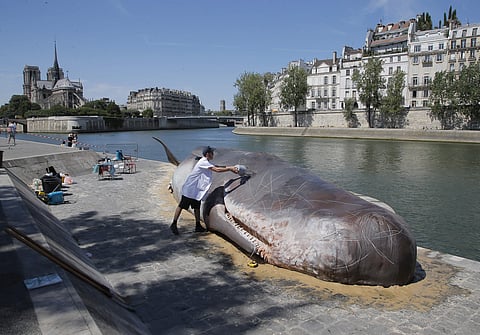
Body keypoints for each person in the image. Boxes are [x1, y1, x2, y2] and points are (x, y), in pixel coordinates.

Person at [170, 146, 239, 235]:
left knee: (196, 207)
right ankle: (174, 224)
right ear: (207, 154)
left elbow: (216, 166)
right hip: (190, 189)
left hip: (196, 190)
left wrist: (230, 167)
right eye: (212, 153)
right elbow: (216, 169)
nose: (213, 155)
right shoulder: (203, 162)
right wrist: (229, 169)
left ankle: (198, 225)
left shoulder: (206, 162)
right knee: (182, 205)